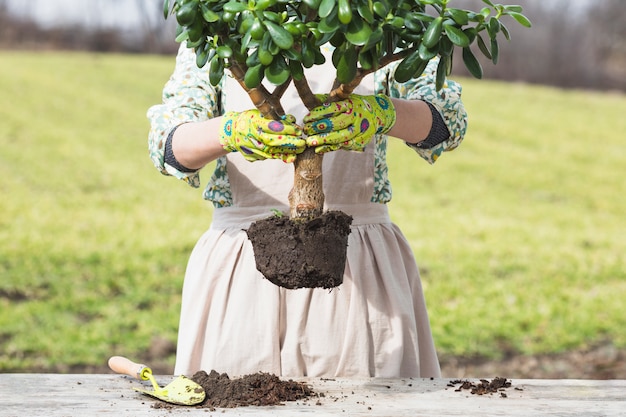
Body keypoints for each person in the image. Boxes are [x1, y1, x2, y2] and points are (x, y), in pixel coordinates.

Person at [147, 43, 467, 378]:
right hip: (241, 275)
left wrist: (382, 112)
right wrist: (231, 131)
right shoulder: (218, 29)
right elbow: (168, 146)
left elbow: (447, 123)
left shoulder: (382, 26)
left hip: (357, 270)